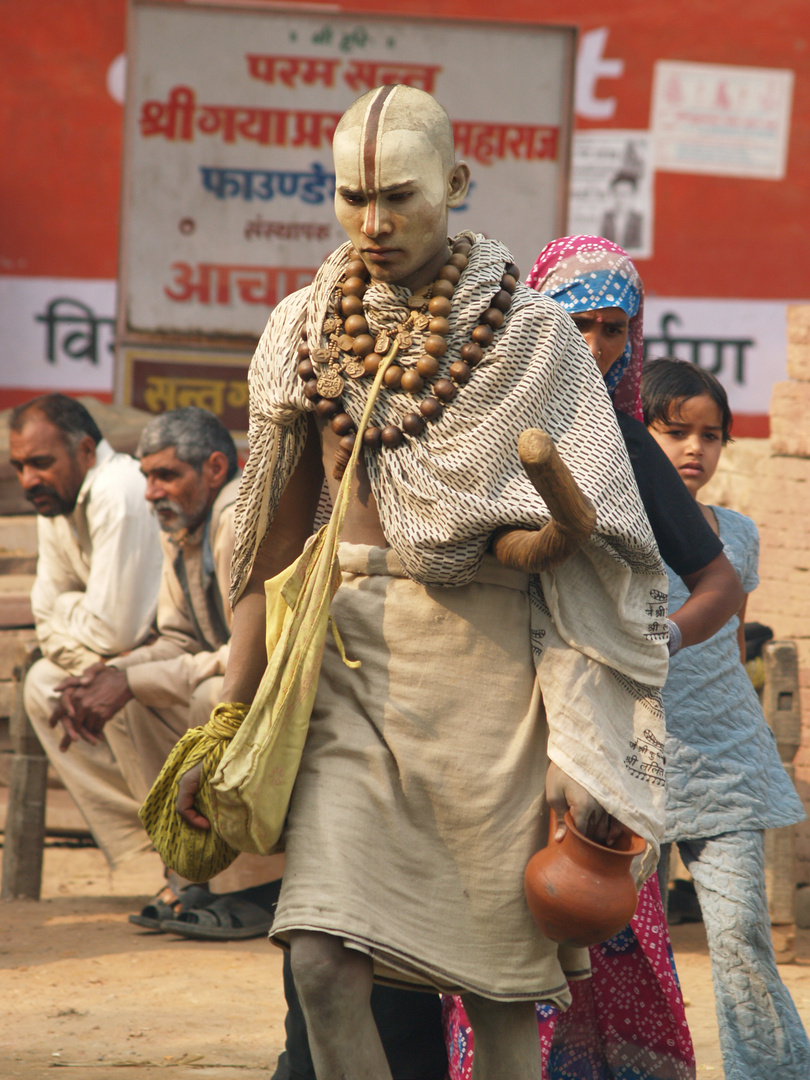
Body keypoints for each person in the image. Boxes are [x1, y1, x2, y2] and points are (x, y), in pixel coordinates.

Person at [177, 86, 671, 1080]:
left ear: (456, 183)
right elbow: (269, 542)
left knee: (495, 997)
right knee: (318, 963)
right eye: (353, 197)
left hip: (496, 677)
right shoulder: (303, 329)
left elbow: (606, 552)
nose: (376, 221)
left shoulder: (532, 337)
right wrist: (229, 717)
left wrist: (581, 747)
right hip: (353, 661)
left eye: (400, 194)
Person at [444, 235, 744, 1080]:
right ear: (532, 319)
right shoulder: (477, 430)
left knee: (599, 925)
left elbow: (715, 578)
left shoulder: (628, 445)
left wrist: (663, 638)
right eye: (576, 323)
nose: (595, 346)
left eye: (614, 328)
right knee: (491, 934)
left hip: (598, 731)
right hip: (489, 711)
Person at [35, 406, 282, 936]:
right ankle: (191, 863)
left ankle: (257, 888)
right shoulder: (187, 525)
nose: (150, 492)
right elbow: (177, 638)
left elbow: (254, 650)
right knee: (128, 699)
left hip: (287, 695)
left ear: (215, 469)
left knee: (213, 698)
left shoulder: (237, 517)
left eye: (165, 475)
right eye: (146, 476)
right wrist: (115, 674)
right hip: (234, 681)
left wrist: (131, 678)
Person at [642, 358, 810, 1080]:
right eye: (675, 431)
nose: (693, 450)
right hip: (630, 760)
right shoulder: (611, 525)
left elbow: (732, 641)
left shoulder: (736, 535)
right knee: (622, 944)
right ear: (634, 431)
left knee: (741, 932)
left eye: (710, 436)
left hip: (726, 761)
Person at [10, 394, 163, 868]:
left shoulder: (118, 490)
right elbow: (45, 616)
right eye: (17, 467)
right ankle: (147, 850)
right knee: (43, 686)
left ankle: (177, 848)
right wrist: (83, 642)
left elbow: (115, 632)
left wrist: (69, 607)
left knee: (110, 685)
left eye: (40, 463)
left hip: (177, 656)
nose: (28, 479)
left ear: (85, 452)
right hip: (118, 657)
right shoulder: (53, 504)